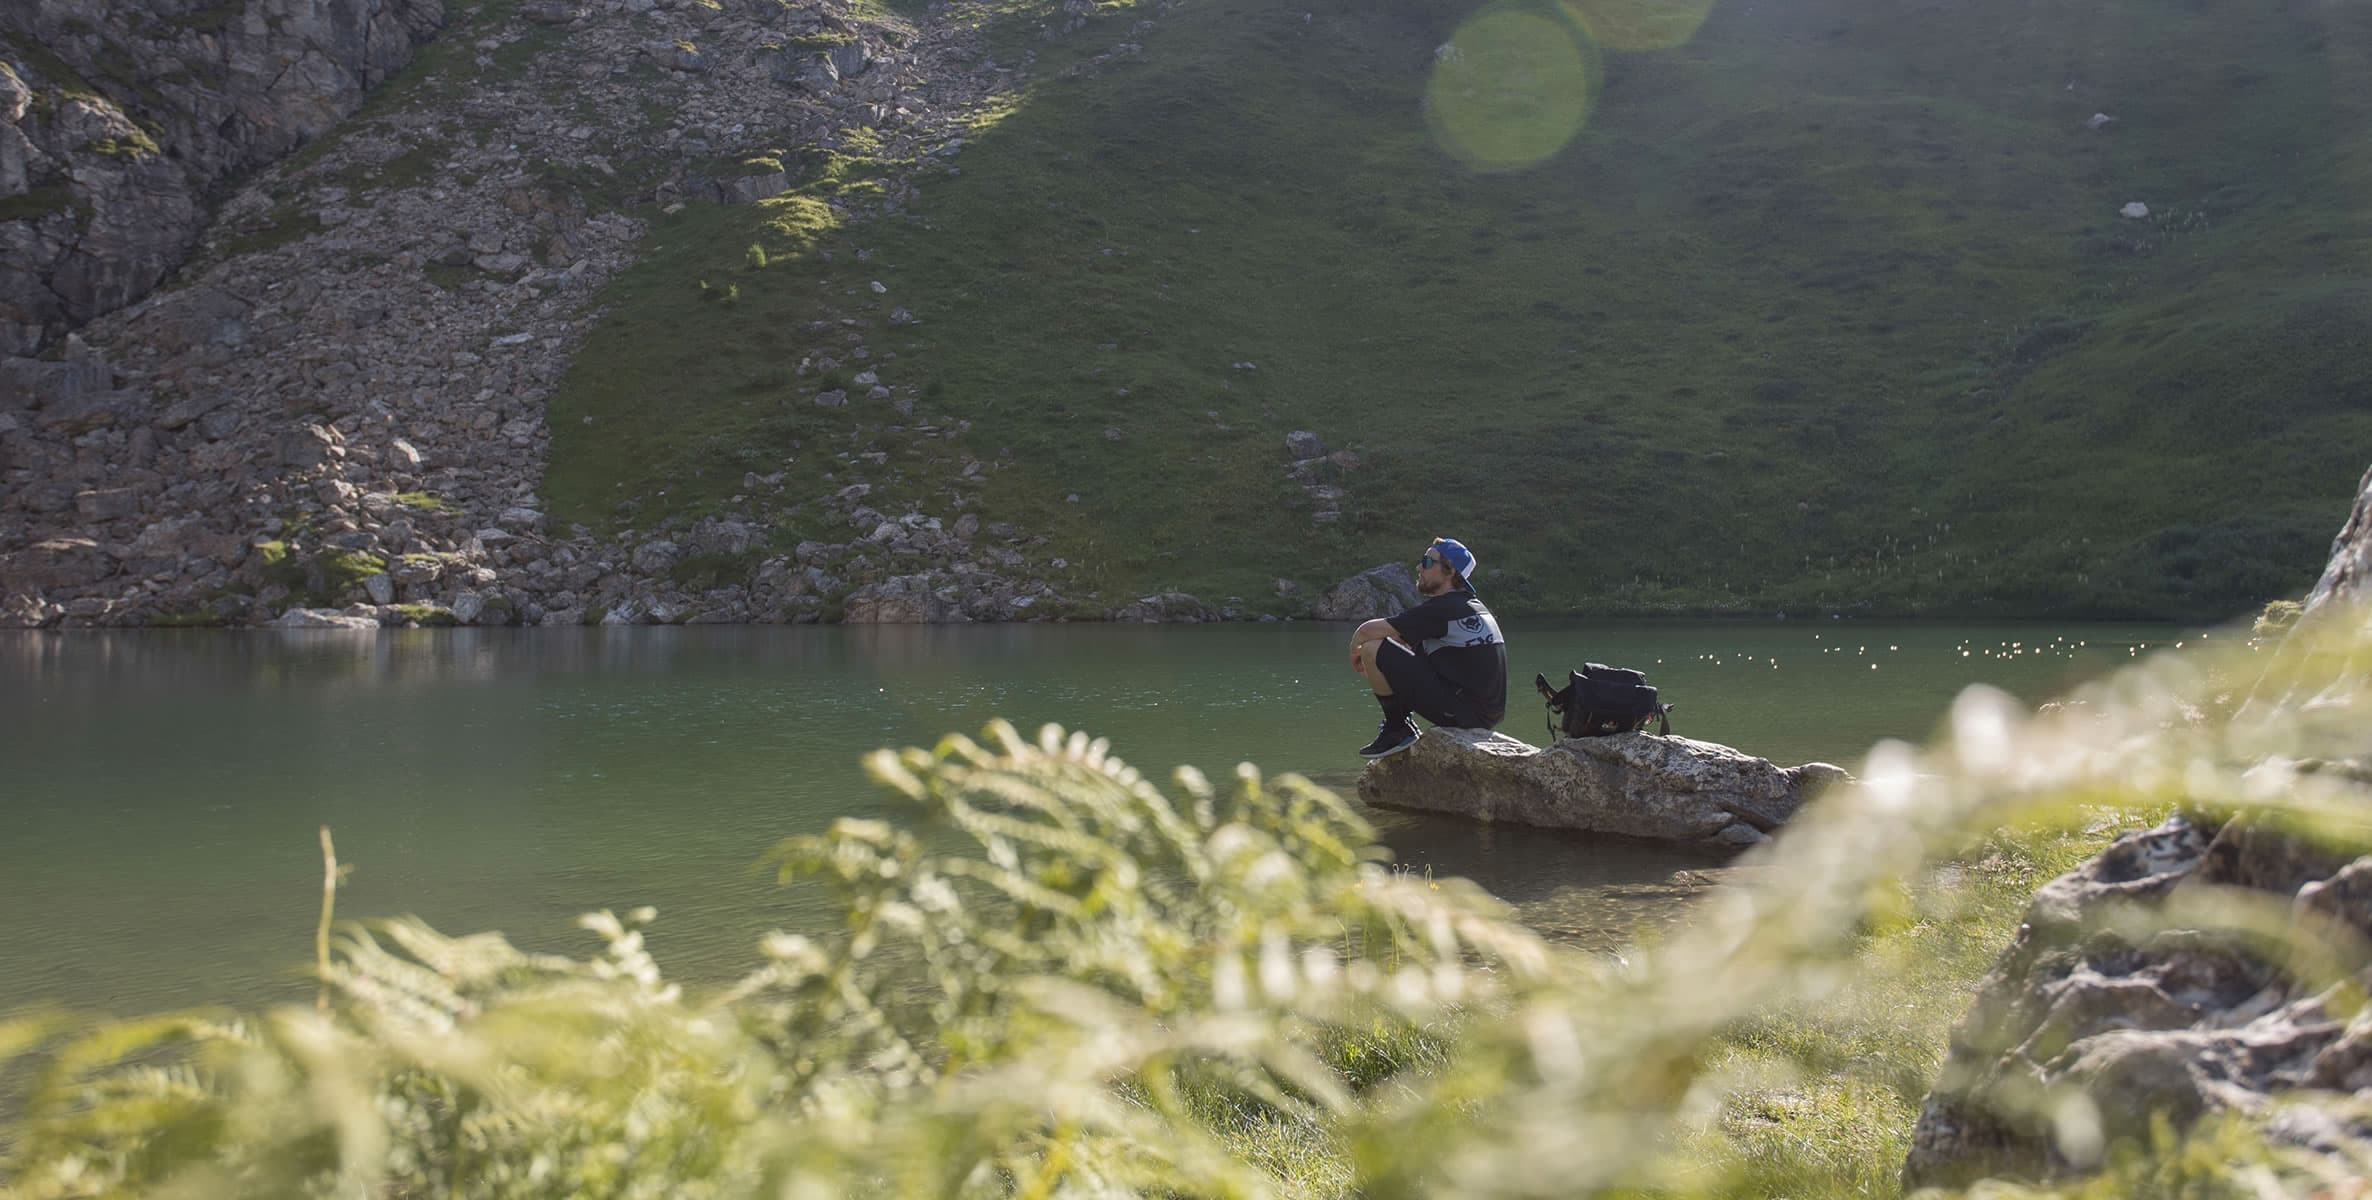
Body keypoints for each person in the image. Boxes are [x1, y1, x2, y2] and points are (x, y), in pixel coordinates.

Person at [1346, 536, 1506, 758]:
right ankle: (1400, 725)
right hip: (1482, 713)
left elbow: (1366, 631)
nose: (1419, 567)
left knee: (1372, 647)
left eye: (1428, 562)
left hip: (1465, 714)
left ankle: (1397, 728)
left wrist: (1357, 652)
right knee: (1400, 641)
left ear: (1449, 572)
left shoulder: (1443, 609)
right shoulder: (1469, 606)